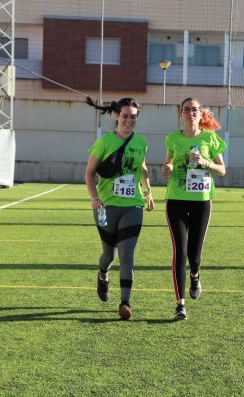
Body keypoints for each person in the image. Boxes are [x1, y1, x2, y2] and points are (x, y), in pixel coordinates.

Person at [84, 97, 155, 320]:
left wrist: (148, 192)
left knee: (127, 252)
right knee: (109, 253)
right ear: (117, 116)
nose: (129, 120)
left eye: (133, 116)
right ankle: (103, 274)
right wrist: (94, 197)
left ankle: (125, 302)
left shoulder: (141, 143)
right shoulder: (104, 143)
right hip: (106, 206)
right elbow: (89, 173)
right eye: (125, 116)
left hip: (133, 205)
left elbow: (142, 169)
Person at [162, 97, 226, 321]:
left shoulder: (210, 138)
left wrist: (205, 162)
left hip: (201, 200)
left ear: (201, 115)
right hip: (176, 199)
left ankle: (196, 275)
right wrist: (168, 168)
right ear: (181, 114)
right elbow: (168, 162)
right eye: (186, 110)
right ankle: (180, 304)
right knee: (180, 252)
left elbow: (222, 169)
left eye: (194, 110)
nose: (190, 113)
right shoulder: (173, 138)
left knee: (194, 255)